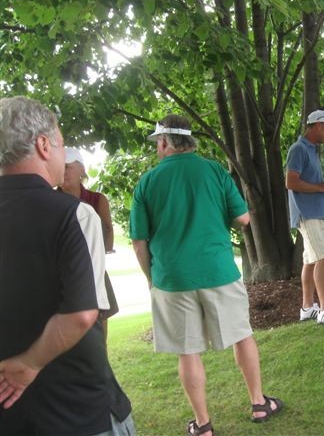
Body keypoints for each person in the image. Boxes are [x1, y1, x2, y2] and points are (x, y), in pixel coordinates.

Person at [130, 114, 282, 436]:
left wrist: (151, 278)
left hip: (172, 278)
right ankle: (258, 404)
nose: (157, 147)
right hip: (218, 272)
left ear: (165, 141)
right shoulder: (214, 171)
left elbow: (139, 242)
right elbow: (243, 218)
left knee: (188, 351)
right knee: (242, 335)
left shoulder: (147, 182)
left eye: (157, 142)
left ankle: (203, 425)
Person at [0, 96, 135, 435]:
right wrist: (28, 364)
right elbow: (82, 314)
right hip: (75, 407)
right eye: (61, 143)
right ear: (44, 145)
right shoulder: (74, 214)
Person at [286, 110, 324, 327]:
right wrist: (321, 186)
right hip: (307, 212)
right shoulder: (298, 149)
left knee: (310, 260)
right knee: (323, 256)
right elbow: (290, 182)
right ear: (318, 125)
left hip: (314, 212)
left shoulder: (311, 150)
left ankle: (307, 308)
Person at [61, 147, 119, 340]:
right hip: (61, 279)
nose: (63, 171)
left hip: (95, 273)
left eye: (67, 167)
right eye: (60, 166)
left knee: (98, 337)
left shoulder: (97, 200)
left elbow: (108, 239)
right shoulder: (48, 200)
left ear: (81, 170)